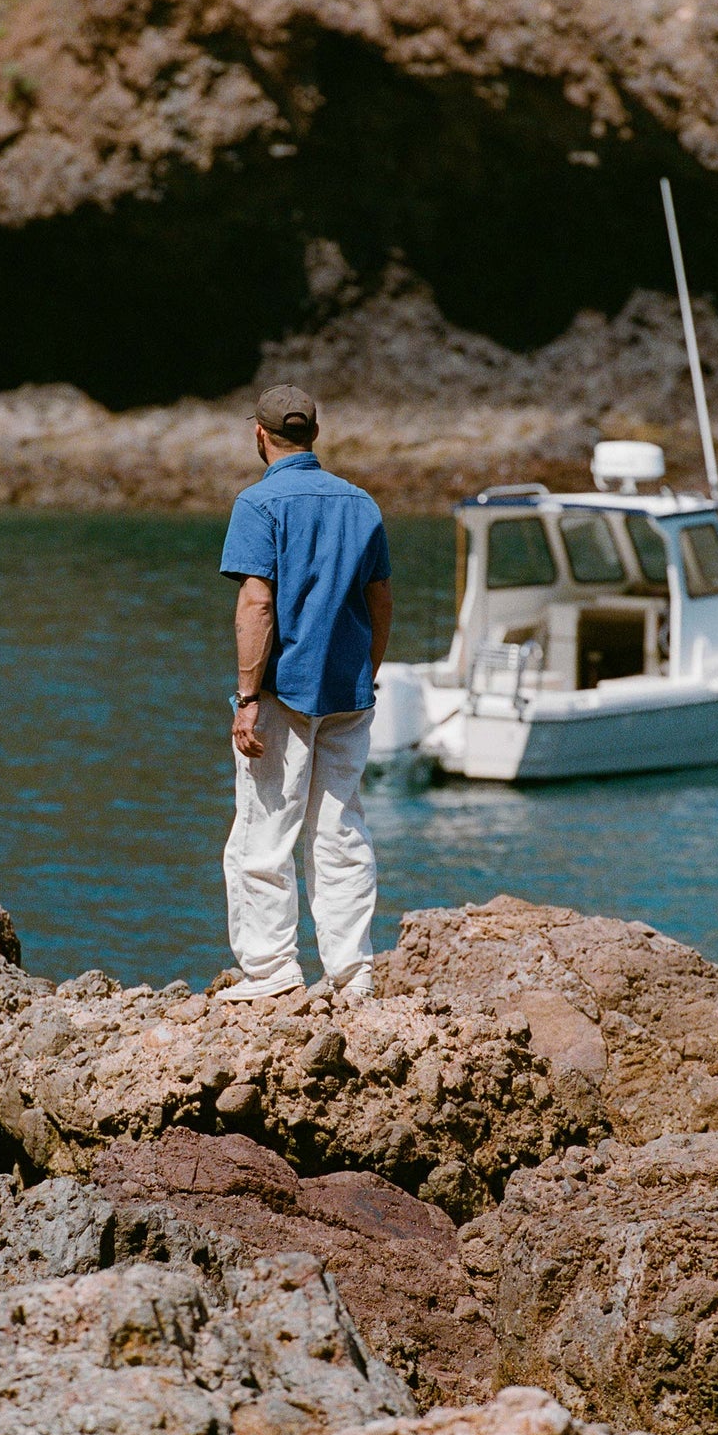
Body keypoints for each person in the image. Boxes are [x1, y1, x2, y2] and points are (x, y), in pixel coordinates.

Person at [216, 384, 393, 1003]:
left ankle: (271, 972)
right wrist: (365, 673)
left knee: (264, 834)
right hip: (349, 691)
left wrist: (246, 697)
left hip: (284, 691)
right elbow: (380, 601)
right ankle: (352, 973)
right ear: (314, 435)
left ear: (259, 435)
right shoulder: (361, 503)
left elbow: (257, 603)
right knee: (340, 833)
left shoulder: (258, 504)